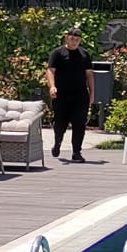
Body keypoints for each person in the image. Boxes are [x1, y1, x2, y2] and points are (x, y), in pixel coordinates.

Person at [45, 27, 96, 162]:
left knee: (79, 124)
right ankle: (57, 143)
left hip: (80, 95)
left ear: (80, 40)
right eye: (72, 39)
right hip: (61, 95)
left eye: (77, 39)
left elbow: (89, 75)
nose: (74, 42)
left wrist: (92, 94)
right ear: (67, 38)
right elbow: (50, 71)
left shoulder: (84, 54)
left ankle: (76, 152)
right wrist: (52, 86)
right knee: (60, 123)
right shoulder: (57, 53)